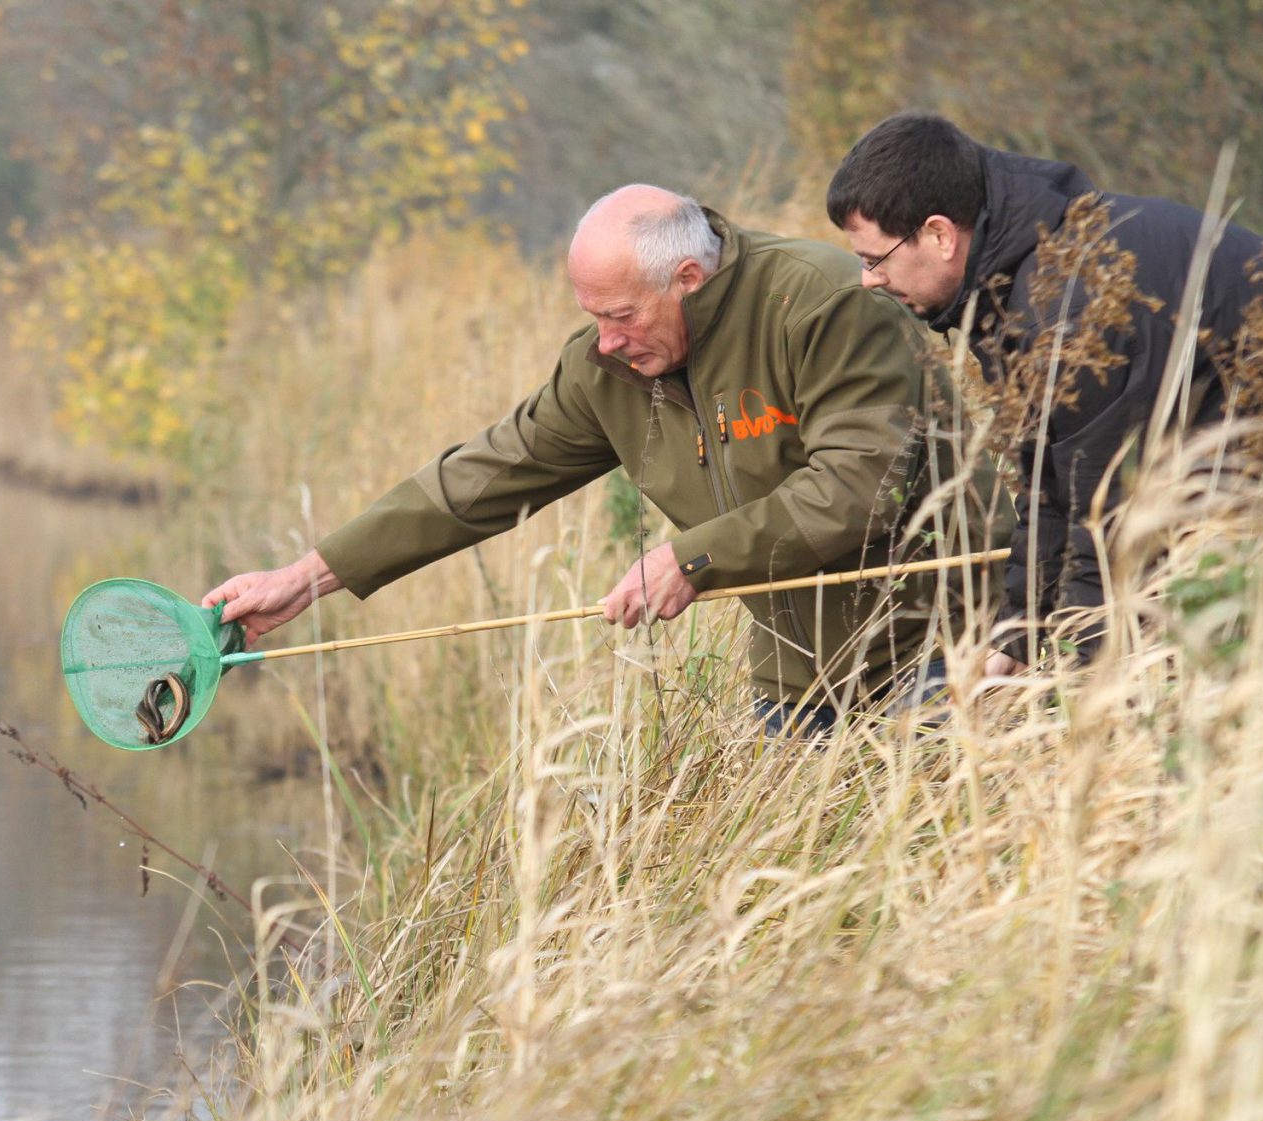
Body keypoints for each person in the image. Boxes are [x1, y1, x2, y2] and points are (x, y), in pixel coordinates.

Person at [202, 185, 1005, 737]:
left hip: (948, 652)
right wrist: (306, 577)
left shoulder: (824, 302)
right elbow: (477, 480)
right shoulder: (607, 365)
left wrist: (692, 558)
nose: (606, 339)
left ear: (688, 279)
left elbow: (859, 488)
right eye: (592, 317)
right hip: (797, 686)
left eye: (620, 314)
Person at [826, 111, 1263, 676]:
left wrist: (1080, 688)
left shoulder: (1067, 306)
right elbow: (1050, 478)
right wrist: (1018, 635)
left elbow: (1110, 516)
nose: (869, 279)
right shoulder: (1011, 276)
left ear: (941, 235)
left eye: (875, 260)